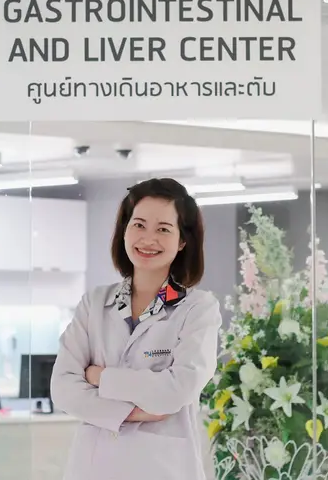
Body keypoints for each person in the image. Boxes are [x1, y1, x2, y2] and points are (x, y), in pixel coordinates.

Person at [50, 178, 222, 480]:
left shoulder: (197, 308)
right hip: (93, 468)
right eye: (139, 225)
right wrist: (134, 412)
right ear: (125, 231)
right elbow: (63, 389)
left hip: (160, 469)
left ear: (182, 241)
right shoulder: (94, 303)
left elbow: (177, 390)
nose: (148, 239)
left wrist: (100, 377)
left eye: (163, 229)